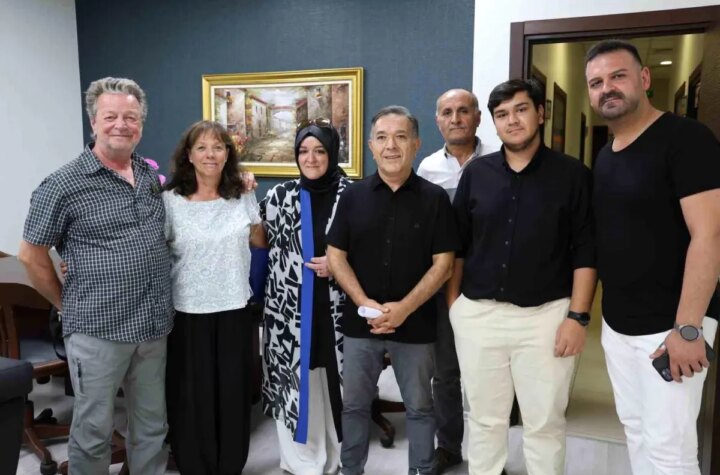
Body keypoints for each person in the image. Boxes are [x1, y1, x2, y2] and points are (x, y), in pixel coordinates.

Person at [19, 77, 171, 474]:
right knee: (93, 432)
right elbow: (31, 255)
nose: (121, 124)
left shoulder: (149, 177)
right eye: (111, 116)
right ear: (94, 122)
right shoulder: (62, 184)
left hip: (152, 326)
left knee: (152, 427)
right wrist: (64, 303)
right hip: (97, 329)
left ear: (141, 124)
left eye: (131, 117)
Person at [447, 79, 596, 475]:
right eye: (502, 114)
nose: (511, 120)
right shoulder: (476, 174)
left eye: (521, 109)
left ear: (541, 113)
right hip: (478, 316)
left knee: (544, 423)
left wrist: (578, 317)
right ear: (493, 123)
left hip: (546, 318)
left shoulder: (573, 176)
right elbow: (457, 246)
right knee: (485, 420)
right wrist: (455, 308)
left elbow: (586, 251)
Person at [585, 39, 720, 475]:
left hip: (671, 327)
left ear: (644, 79)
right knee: (636, 430)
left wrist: (688, 328)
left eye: (617, 76)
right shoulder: (606, 155)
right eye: (596, 82)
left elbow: (711, 235)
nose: (607, 88)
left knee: (670, 451)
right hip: (619, 325)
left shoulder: (686, 139)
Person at [327, 106, 459, 475]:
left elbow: (444, 264)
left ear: (416, 145)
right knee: (354, 406)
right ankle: (350, 470)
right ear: (371, 146)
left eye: (401, 137)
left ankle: (421, 469)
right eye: (382, 138)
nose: (391, 146)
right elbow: (336, 256)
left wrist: (403, 308)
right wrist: (363, 302)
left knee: (420, 408)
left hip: (417, 324)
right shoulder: (352, 196)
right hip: (361, 324)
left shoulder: (435, 199)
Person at [162, 120, 266, 474]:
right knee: (192, 398)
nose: (210, 154)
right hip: (187, 313)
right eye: (202, 147)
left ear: (227, 154)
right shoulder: (170, 202)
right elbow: (153, 251)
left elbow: (260, 242)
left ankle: (229, 466)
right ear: (188, 155)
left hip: (234, 309)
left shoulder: (243, 195)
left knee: (232, 395)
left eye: (218, 147)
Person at [260, 119, 351, 475]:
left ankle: (343, 455)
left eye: (319, 151)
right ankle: (302, 461)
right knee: (297, 382)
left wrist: (339, 265)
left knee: (339, 381)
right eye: (303, 151)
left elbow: (373, 247)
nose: (310, 159)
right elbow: (257, 243)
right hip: (290, 310)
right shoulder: (278, 197)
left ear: (332, 153)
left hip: (340, 307)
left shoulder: (353, 195)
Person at [417, 88, 491, 473]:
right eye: (447, 112)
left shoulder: (499, 161)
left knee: (488, 377)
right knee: (445, 373)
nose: (456, 118)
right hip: (444, 285)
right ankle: (448, 447)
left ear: (478, 117)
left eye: (464, 111)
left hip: (489, 286)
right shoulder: (427, 168)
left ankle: (489, 455)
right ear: (438, 121)